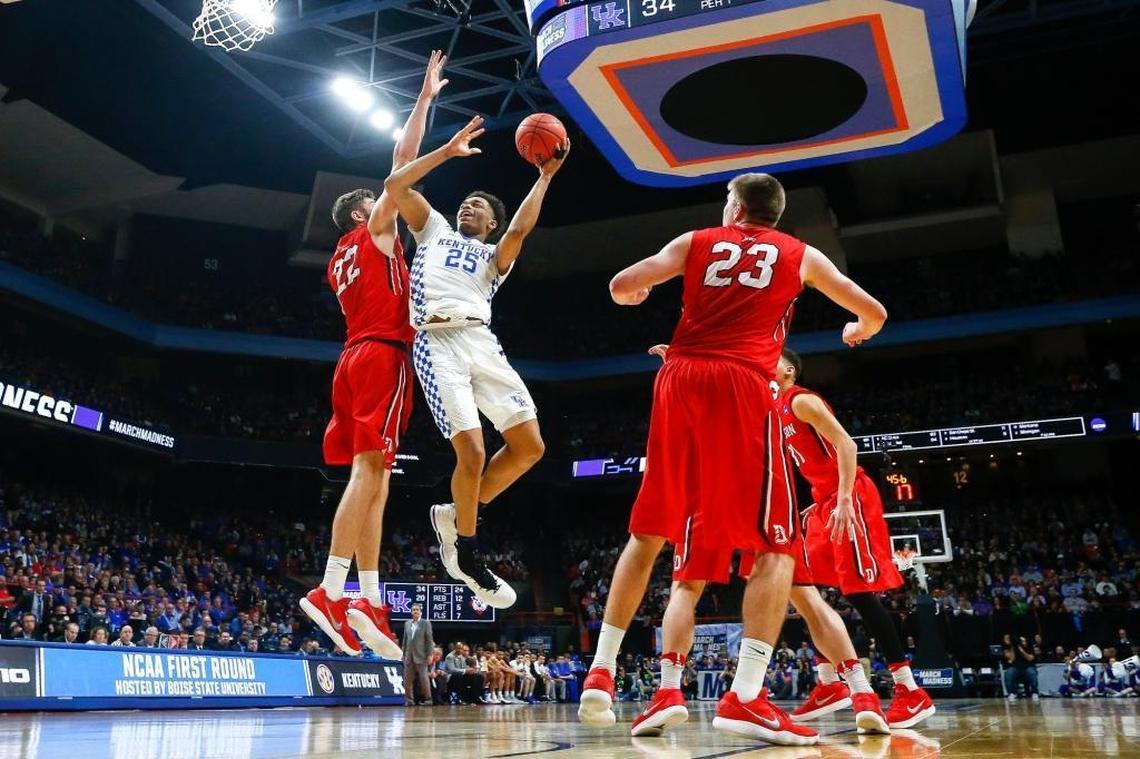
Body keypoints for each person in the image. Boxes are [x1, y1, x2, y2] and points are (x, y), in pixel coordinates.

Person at [577, 174, 887, 745]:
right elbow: (873, 312)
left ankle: (601, 669)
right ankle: (746, 696)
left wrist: (638, 294)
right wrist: (856, 328)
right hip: (742, 384)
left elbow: (623, 285)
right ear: (774, 213)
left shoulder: (695, 241)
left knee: (649, 532)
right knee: (776, 546)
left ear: (735, 207)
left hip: (678, 378)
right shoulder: (803, 255)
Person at [384, 115, 569, 609]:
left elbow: (523, 228)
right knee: (473, 453)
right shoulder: (434, 231)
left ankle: (458, 514)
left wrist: (545, 176)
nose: (471, 204)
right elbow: (395, 184)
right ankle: (465, 551)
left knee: (530, 447)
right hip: (437, 341)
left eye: (481, 206)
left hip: (482, 343)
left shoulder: (493, 258)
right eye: (468, 200)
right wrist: (446, 152)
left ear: (491, 224)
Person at [300, 52, 448, 659]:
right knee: (369, 475)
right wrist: (424, 101)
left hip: (354, 358)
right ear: (365, 214)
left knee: (378, 478)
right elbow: (399, 171)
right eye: (378, 203)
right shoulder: (374, 233)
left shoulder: (339, 256)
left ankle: (368, 597)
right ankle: (331, 589)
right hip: (383, 357)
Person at [772, 348, 934, 730]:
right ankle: (829, 683)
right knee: (802, 585)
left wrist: (844, 497)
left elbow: (847, 444)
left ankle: (909, 691)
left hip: (850, 496)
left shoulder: (802, 400)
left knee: (859, 592)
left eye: (773, 357)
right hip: (823, 503)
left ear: (789, 370)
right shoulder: (773, 409)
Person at [402, 603, 435, 706]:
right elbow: (405, 640)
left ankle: (428, 699)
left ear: (420, 612)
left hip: (421, 656)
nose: (415, 611)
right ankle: (409, 700)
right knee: (407, 680)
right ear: (411, 612)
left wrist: (430, 654)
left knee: (424, 679)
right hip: (409, 656)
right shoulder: (407, 623)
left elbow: (429, 641)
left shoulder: (426, 623)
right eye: (413, 610)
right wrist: (403, 654)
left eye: (417, 610)